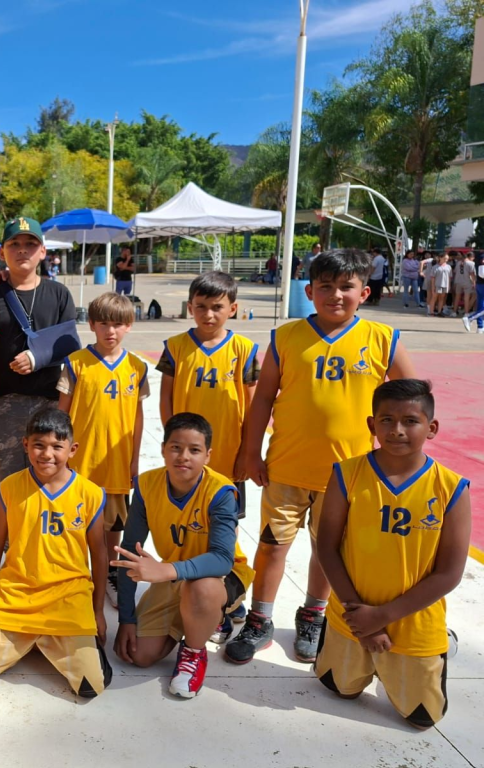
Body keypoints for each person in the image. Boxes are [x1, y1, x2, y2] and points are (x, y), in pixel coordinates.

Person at [227, 248, 416, 666]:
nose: (336, 295)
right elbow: (262, 402)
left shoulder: (383, 340)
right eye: (326, 287)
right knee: (273, 546)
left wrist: (401, 456)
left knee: (326, 551)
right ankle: (260, 619)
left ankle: (313, 614)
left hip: (348, 475)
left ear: (363, 292)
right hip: (287, 467)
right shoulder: (287, 337)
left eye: (346, 287)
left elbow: (413, 400)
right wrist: (250, 451)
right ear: (309, 291)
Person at [315, 380, 470, 728]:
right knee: (338, 689)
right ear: (372, 425)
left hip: (412, 623)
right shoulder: (347, 474)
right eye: (386, 420)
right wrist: (362, 620)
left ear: (431, 428)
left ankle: (442, 644)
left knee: (420, 719)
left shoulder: (451, 488)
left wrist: (381, 616)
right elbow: (326, 546)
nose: (397, 430)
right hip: (351, 616)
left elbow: (449, 574)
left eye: (410, 421)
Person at [0, 407, 111, 698]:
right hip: (19, 593)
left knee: (91, 687)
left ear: (72, 449)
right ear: (25, 445)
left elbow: (99, 555)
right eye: (39, 445)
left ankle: (46, 639)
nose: (47, 454)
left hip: (68, 595)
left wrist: (97, 611)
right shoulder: (10, 487)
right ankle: (35, 638)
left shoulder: (90, 493)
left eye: (57, 446)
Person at [113, 413, 254, 699]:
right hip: (176, 575)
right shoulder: (146, 486)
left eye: (194, 450)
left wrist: (165, 571)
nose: (183, 456)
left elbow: (222, 559)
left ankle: (194, 650)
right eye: (175, 447)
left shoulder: (221, 491)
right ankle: (197, 618)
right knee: (138, 655)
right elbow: (128, 552)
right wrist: (126, 618)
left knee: (200, 589)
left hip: (220, 578)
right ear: (163, 448)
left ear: (208, 455)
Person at [157, 271, 258, 632]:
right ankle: (196, 587)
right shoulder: (176, 347)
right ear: (190, 307)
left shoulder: (244, 351)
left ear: (232, 308)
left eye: (217, 307)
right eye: (201, 307)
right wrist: (172, 445)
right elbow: (166, 399)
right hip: (187, 460)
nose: (209, 314)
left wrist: (249, 452)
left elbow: (252, 406)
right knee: (191, 523)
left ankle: (230, 596)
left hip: (227, 459)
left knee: (225, 531)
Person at [57, 292, 149, 606]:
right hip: (81, 461)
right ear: (92, 325)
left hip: (117, 461)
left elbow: (138, 418)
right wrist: (60, 456)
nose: (111, 331)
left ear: (129, 326)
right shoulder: (76, 363)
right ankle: (74, 573)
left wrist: (135, 459)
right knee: (76, 520)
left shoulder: (137, 367)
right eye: (104, 324)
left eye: (118, 324)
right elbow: (62, 414)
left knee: (114, 525)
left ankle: (110, 571)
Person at [0, 217, 79, 482]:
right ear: (3, 252)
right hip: (3, 403)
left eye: (30, 244)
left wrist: (37, 356)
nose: (22, 250)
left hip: (49, 401)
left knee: (49, 480)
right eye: (14, 243)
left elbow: (70, 342)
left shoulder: (59, 293)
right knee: (8, 484)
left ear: (42, 252)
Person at [461, 253, 484, 333]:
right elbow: (482, 273)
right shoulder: (482, 257)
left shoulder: (480, 256)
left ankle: (480, 327)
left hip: (480, 284)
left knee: (481, 305)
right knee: (481, 305)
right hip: (482, 283)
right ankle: (470, 318)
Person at [427, 253, 451, 317]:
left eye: (447, 259)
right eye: (445, 258)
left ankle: (439, 311)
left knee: (441, 299)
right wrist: (433, 287)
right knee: (434, 298)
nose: (446, 260)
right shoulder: (435, 267)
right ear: (440, 258)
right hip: (437, 284)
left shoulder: (448, 267)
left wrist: (449, 286)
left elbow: (449, 277)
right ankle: (431, 312)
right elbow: (432, 278)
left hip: (445, 285)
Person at [453, 252, 476, 316]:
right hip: (467, 282)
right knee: (466, 297)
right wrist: (474, 282)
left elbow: (455, 272)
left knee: (457, 297)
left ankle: (454, 312)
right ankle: (466, 313)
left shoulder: (458, 263)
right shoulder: (471, 263)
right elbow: (472, 274)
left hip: (458, 281)